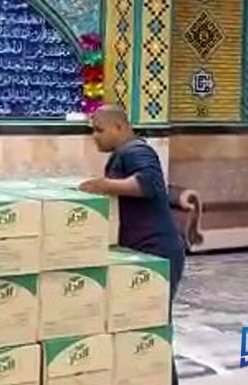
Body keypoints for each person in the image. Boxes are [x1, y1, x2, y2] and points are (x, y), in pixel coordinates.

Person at [79, 105, 185, 385]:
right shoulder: (126, 152)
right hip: (142, 251)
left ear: (119, 127)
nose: (95, 136)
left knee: (153, 326)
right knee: (139, 327)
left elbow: (147, 185)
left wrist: (103, 185)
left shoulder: (135, 150)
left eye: (99, 130)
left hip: (157, 251)